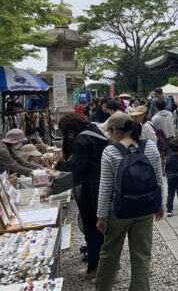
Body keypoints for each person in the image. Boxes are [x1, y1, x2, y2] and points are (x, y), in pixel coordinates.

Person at [95, 112, 164, 291]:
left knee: (109, 254)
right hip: (145, 208)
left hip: (119, 211)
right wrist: (160, 204)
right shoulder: (150, 147)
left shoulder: (110, 151)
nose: (109, 135)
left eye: (109, 131)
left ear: (115, 130)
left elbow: (105, 187)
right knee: (142, 256)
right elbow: (158, 179)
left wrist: (101, 216)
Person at [56, 113, 108, 280]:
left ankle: (94, 268)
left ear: (70, 129)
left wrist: (59, 164)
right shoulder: (95, 131)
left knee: (92, 228)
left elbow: (76, 167)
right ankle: (108, 266)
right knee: (102, 229)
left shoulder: (80, 140)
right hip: (103, 185)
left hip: (90, 189)